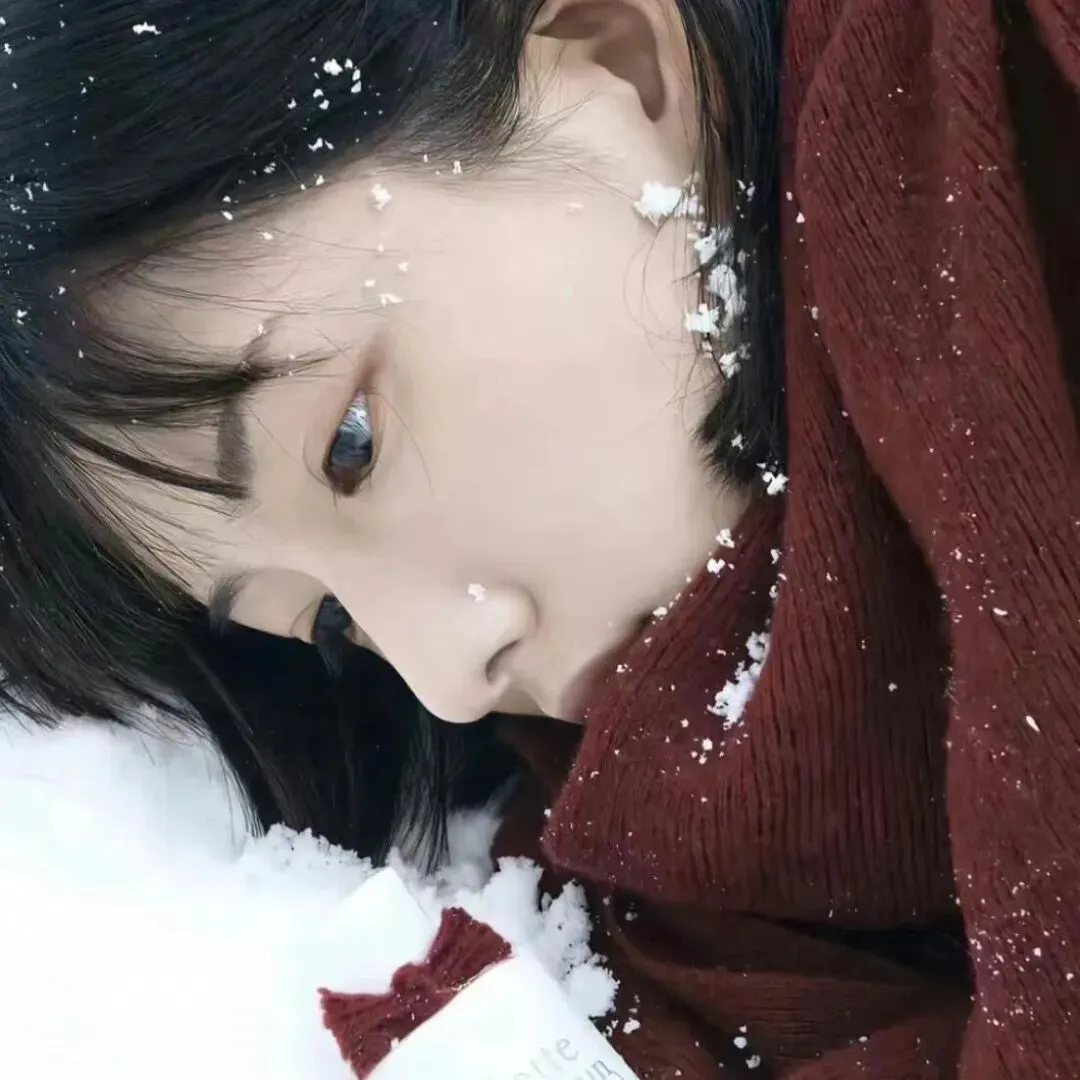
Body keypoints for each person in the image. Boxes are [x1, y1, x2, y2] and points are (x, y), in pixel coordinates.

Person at [0, 0, 1076, 1076]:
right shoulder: (681, 923)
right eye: (329, 620)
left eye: (351, 447)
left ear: (612, 55)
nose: (449, 679)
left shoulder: (1013, 90)